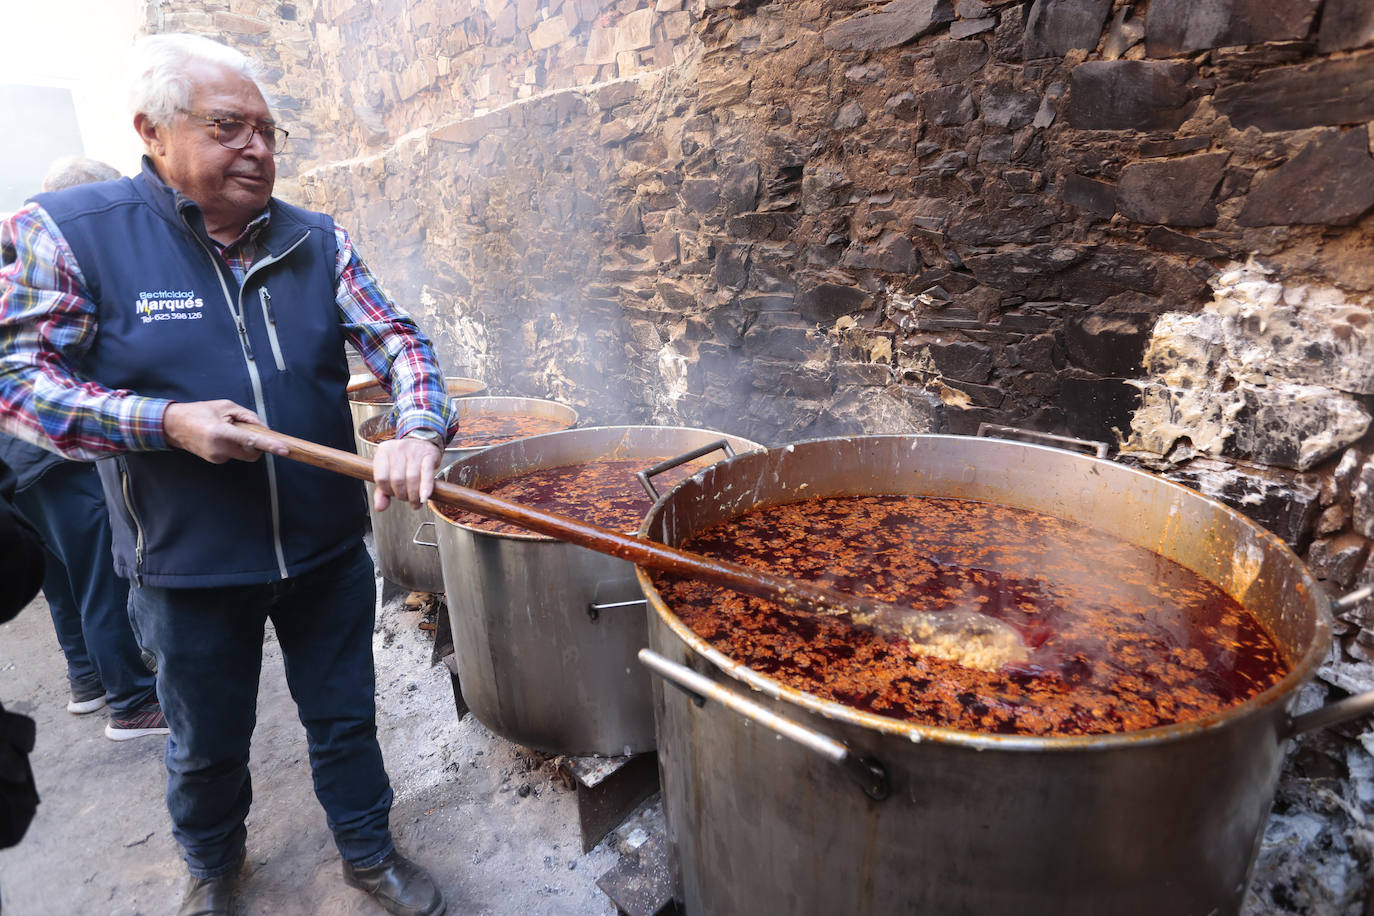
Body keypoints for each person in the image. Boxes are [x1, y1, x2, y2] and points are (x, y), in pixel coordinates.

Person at [0, 33, 453, 916]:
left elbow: (398, 340)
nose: (258, 148)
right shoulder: (71, 232)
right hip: (186, 564)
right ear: (153, 130)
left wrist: (419, 426)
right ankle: (212, 867)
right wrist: (165, 423)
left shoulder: (315, 238)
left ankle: (367, 849)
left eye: (268, 131)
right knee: (207, 743)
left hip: (324, 549)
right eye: (228, 127)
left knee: (346, 716)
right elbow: (18, 385)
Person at [0, 155, 167, 741]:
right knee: (101, 573)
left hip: (15, 465)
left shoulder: (17, 251)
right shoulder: (49, 259)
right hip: (47, 453)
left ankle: (85, 681)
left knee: (56, 571)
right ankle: (132, 700)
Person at [0, 456, 46, 851]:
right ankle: (128, 698)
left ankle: (86, 678)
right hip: (45, 468)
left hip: (35, 473)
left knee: (68, 594)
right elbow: (16, 569)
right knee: (93, 590)